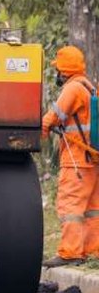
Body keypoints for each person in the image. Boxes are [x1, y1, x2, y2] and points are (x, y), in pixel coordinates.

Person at [41, 45, 99, 267]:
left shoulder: (72, 89)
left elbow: (53, 117)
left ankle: (71, 252)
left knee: (70, 207)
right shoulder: (89, 87)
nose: (56, 73)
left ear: (63, 70)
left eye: (58, 69)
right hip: (92, 161)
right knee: (93, 208)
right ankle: (93, 251)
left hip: (76, 161)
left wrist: (38, 135)